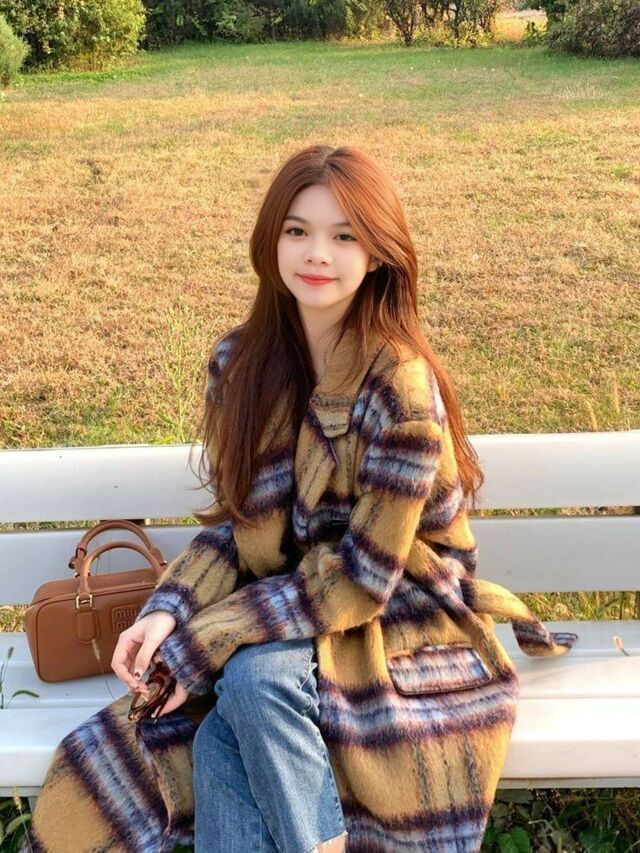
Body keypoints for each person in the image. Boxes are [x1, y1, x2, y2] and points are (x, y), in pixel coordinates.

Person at [24, 144, 577, 853]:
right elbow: (241, 529)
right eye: (298, 230)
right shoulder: (240, 366)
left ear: (377, 254)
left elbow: (362, 578)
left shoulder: (399, 386)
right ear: (271, 241)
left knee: (250, 681)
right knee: (230, 713)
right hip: (287, 603)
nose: (318, 252)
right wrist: (167, 612)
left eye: (345, 235)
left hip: (398, 607)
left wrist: (209, 639)